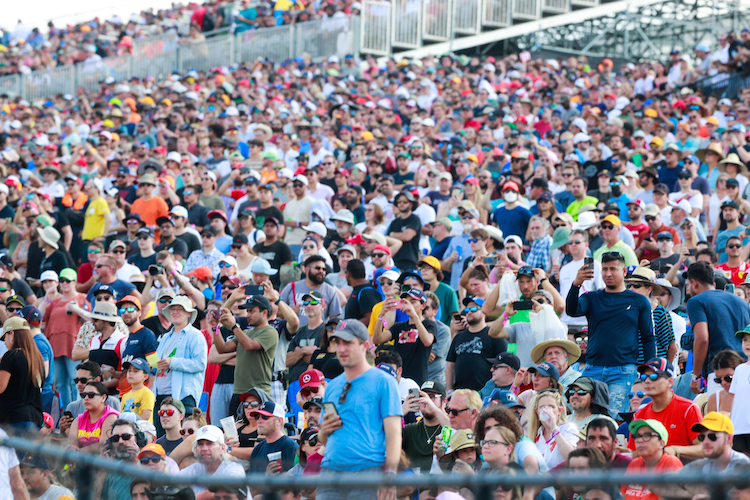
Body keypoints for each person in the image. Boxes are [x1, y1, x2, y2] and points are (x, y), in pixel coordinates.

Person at [318, 319, 402, 500]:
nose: (341, 348)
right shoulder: (331, 387)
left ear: (365, 345)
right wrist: (324, 430)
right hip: (330, 472)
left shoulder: (384, 382)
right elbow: (323, 439)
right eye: (337, 342)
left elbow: (394, 433)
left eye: (347, 343)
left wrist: (390, 473)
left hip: (368, 471)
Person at [566, 251, 655, 416]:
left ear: (624, 272)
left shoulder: (639, 301)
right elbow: (572, 311)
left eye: (613, 269)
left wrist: (649, 371)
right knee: (582, 417)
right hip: (592, 368)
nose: (608, 273)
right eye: (605, 269)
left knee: (614, 419)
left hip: (623, 370)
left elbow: (648, 338)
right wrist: (576, 284)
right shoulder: (592, 297)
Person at [686, 262, 750, 395]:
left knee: (718, 415)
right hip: (745, 370)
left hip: (720, 373)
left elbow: (702, 339)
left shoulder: (696, 301)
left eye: (687, 285)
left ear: (694, 283)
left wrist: (696, 375)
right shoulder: (742, 302)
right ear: (713, 283)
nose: (687, 290)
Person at [651, 412, 750, 499]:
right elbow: (655, 484)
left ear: (729, 438)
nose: (706, 442)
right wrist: (689, 495)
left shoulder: (743, 464)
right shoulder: (702, 464)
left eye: (712, 436)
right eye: (702, 437)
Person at [627, 358, 704, 460]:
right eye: (644, 377)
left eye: (654, 377)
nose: (647, 381)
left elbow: (704, 449)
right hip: (651, 472)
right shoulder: (639, 415)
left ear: (670, 382)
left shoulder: (688, 409)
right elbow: (635, 454)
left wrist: (674, 450)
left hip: (684, 471)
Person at [216, 294, 278, 418]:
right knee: (235, 433)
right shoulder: (245, 332)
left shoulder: (270, 332)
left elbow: (249, 345)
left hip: (259, 393)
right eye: (247, 311)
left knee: (258, 432)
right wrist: (215, 328)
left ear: (264, 312)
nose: (247, 315)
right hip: (238, 392)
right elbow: (222, 349)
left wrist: (234, 326)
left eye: (251, 311)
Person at [154, 296, 208, 435]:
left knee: (184, 438)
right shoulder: (165, 336)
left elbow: (201, 364)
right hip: (160, 396)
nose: (175, 312)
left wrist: (173, 362)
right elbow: (157, 365)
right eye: (173, 309)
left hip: (183, 396)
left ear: (189, 313)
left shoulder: (196, 335)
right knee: (162, 438)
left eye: (180, 309)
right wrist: (152, 365)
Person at [374, 288, 436, 386]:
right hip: (398, 379)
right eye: (406, 302)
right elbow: (377, 340)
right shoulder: (398, 326)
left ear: (423, 306)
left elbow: (427, 341)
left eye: (413, 302)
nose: (409, 305)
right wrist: (381, 314)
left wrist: (415, 316)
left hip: (418, 381)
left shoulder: (429, 324)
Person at [446, 297, 508, 392]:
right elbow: (450, 365)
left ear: (484, 312)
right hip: (460, 392)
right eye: (467, 309)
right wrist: (449, 389)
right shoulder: (458, 337)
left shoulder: (494, 335)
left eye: (474, 309)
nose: (469, 312)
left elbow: (503, 364)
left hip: (485, 391)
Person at [0, 316, 44, 431]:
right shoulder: (37, 359)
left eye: (5, 337)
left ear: (12, 334)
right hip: (35, 420)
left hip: (14, 418)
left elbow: (0, 387)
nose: (4, 342)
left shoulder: (11, 356)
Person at [621, 419, 683, 500]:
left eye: (647, 435)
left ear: (661, 443)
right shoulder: (634, 464)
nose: (639, 440)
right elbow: (622, 496)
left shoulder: (671, 463)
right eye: (637, 436)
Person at [177, 425, 246, 497]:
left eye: (209, 443)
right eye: (200, 444)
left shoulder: (234, 469)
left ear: (222, 448)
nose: (204, 448)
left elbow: (220, 492)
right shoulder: (194, 469)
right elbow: (171, 485)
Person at [402, 380, 449, 471]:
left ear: (444, 401)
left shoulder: (447, 427)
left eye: (431, 397)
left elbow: (455, 431)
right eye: (422, 396)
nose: (426, 401)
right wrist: (398, 413)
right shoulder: (410, 430)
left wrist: (434, 409)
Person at [528, 390, 579, 469]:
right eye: (542, 407)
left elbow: (571, 457)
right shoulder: (535, 435)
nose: (546, 411)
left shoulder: (568, 428)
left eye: (551, 407)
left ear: (560, 411)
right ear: (537, 412)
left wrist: (554, 428)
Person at [247, 401, 298, 475]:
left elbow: (294, 483)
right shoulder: (257, 449)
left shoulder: (290, 447)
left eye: (265, 417)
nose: (259, 421)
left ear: (279, 421)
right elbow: (250, 485)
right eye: (257, 417)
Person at [67, 380, 120, 449]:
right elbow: (71, 445)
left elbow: (103, 445)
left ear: (103, 398)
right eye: (83, 395)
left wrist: (78, 452)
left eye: (91, 395)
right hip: (80, 458)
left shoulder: (111, 416)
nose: (86, 398)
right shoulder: (79, 420)